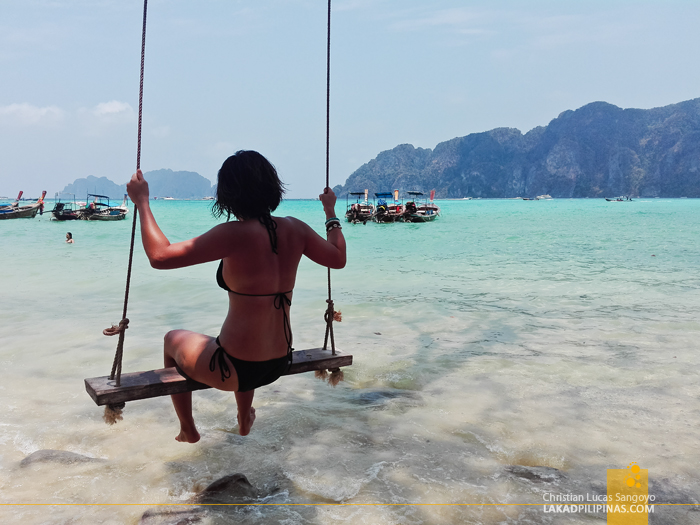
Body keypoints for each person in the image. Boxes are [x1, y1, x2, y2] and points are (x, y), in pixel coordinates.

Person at [126, 150, 346, 443]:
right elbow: (338, 258)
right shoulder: (296, 228)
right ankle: (243, 417)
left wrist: (142, 202)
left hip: (232, 369)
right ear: (273, 187)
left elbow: (160, 256)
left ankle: (188, 428)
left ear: (227, 194)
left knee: (171, 339)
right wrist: (330, 211)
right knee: (240, 342)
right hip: (278, 362)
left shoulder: (233, 234)